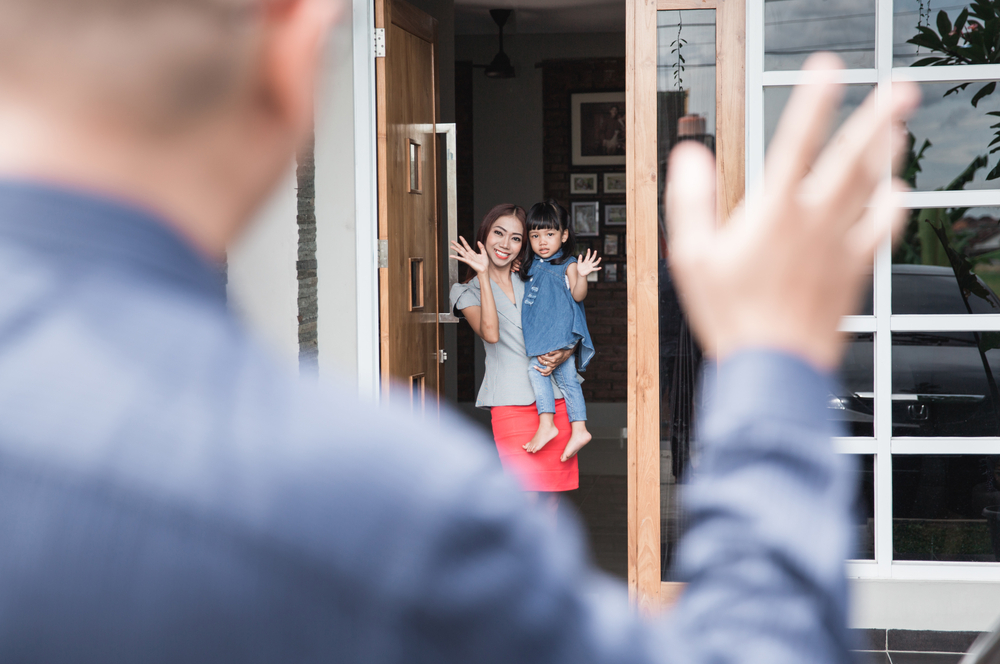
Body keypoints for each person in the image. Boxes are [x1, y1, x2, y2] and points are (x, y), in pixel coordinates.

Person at [0, 0, 922, 659]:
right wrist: (774, 360)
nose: (519, 242)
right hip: (512, 402)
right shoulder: (377, 502)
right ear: (294, 50)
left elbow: (557, 325)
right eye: (509, 235)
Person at [449, 204, 581, 496]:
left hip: (556, 400)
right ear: (485, 234)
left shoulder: (535, 277)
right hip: (510, 403)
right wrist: (483, 275)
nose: (505, 244)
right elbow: (491, 334)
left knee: (551, 499)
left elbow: (568, 320)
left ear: (524, 245)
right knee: (524, 498)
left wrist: (567, 351)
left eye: (516, 238)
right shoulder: (464, 291)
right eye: (499, 233)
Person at [517, 200, 600, 462]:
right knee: (568, 381)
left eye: (550, 234)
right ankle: (580, 429)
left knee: (535, 370)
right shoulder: (533, 265)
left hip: (559, 333)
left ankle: (547, 424)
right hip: (550, 333)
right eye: (535, 235)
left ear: (564, 235)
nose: (542, 241)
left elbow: (578, 295)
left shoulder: (568, 264)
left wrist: (583, 274)